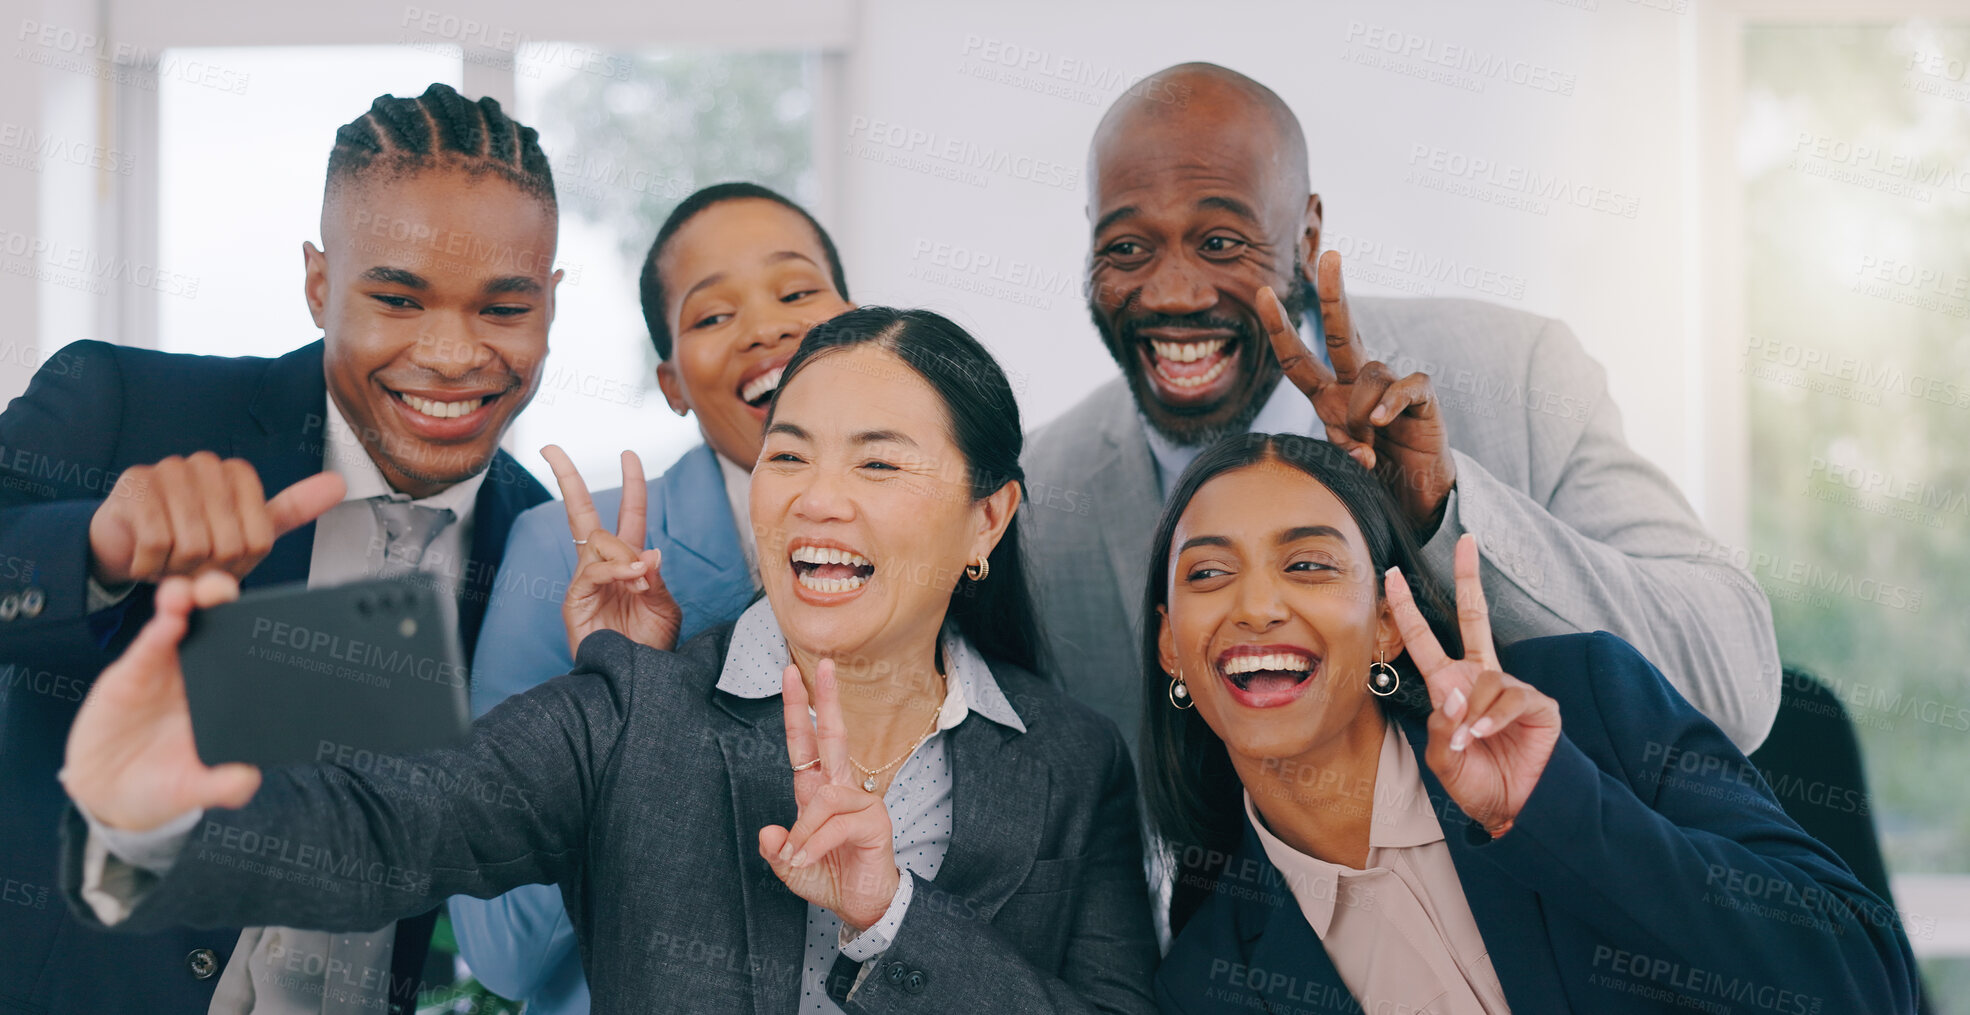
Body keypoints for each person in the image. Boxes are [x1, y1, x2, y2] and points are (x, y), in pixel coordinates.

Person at [55, 307, 1158, 1015]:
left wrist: (891, 917)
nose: (818, 497)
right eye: (788, 454)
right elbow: (395, 823)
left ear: (986, 519)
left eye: (878, 462)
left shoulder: (1070, 758)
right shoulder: (633, 715)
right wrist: (152, 820)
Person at [1021, 62, 1780, 755]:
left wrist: (1441, 511)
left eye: (1220, 242)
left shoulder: (1517, 377)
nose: (1173, 294)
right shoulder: (1038, 493)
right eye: (1126, 248)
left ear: (1307, 233)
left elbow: (1731, 681)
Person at [0, 83, 558, 1014]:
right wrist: (97, 550)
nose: (454, 355)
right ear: (317, 285)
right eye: (396, 297)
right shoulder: (126, 407)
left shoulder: (541, 550)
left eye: (503, 310)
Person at [1141, 433, 1917, 1014]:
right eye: (1209, 572)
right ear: (1172, 645)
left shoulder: (1591, 702)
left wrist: (1556, 807)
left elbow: (1865, 984)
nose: (1256, 606)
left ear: (1386, 622)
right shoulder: (1208, 982)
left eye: (1307, 563)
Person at [452, 181, 856, 1015]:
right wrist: (630, 696)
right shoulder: (561, 553)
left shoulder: (947, 531)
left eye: (796, 291)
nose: (767, 327)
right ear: (672, 382)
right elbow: (503, 952)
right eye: (713, 316)